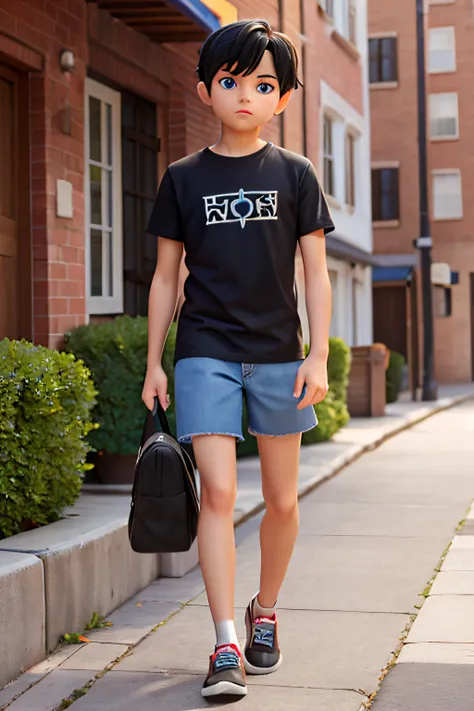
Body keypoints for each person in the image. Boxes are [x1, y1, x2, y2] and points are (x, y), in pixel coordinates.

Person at [142, 18, 334, 700]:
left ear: (281, 98)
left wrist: (318, 354)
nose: (246, 95)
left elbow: (316, 271)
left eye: (262, 84)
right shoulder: (182, 179)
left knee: (282, 500)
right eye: (232, 81)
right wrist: (154, 362)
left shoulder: (297, 174)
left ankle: (265, 610)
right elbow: (166, 277)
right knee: (219, 493)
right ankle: (225, 639)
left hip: (280, 353)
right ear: (205, 90)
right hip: (205, 351)